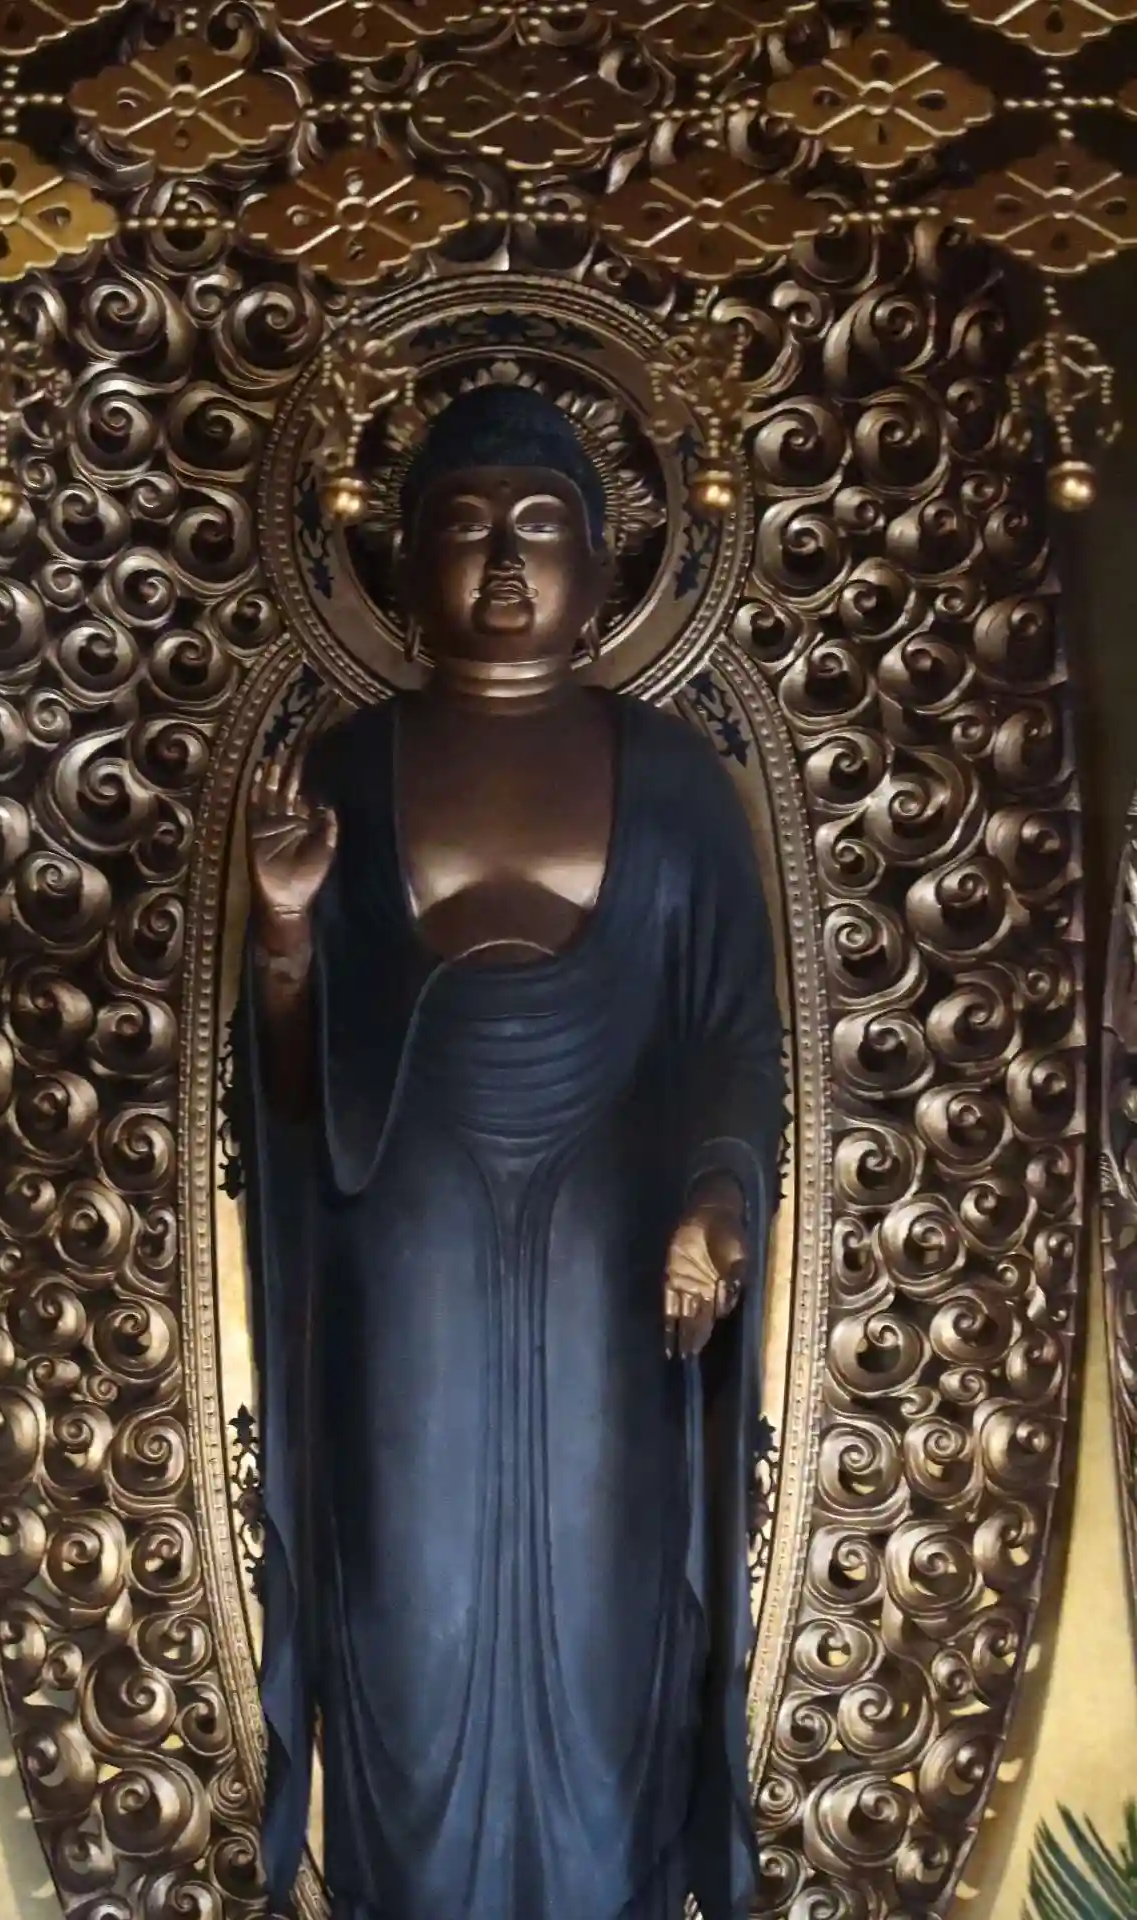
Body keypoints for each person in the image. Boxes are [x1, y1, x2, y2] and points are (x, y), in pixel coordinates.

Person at [238, 383, 784, 1920]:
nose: (498, 562)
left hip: (615, 1274)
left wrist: (716, 1202)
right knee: (411, 1610)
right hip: (402, 1268)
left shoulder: (674, 782)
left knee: (606, 1614)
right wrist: (283, 931)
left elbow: (734, 1037)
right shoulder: (345, 774)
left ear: (602, 567)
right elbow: (293, 1102)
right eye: (463, 525)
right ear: (404, 559)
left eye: (538, 527)